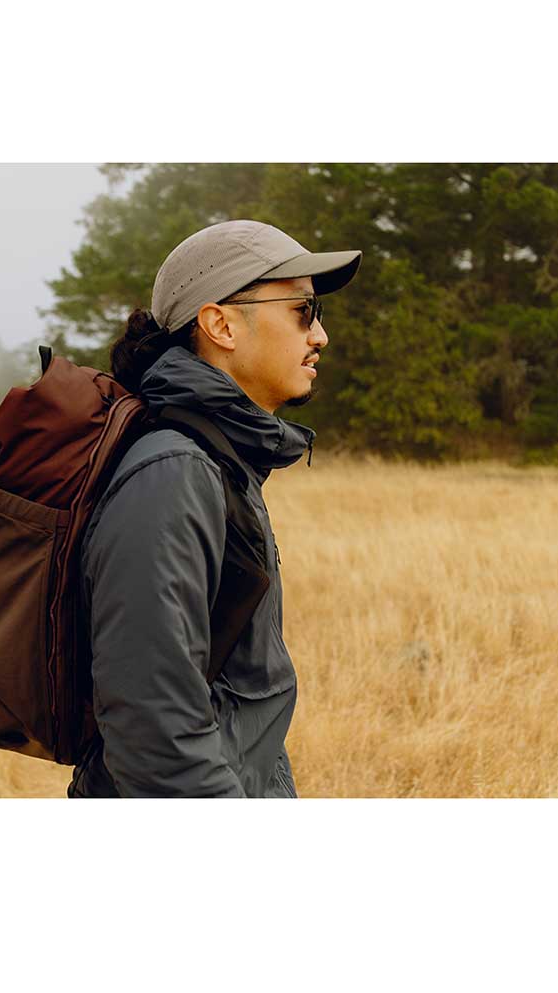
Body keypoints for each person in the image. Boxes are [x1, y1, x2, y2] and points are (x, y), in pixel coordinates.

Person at [67, 220, 362, 798]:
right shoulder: (175, 472)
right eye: (304, 311)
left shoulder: (219, 460)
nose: (321, 335)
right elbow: (154, 730)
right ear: (221, 325)